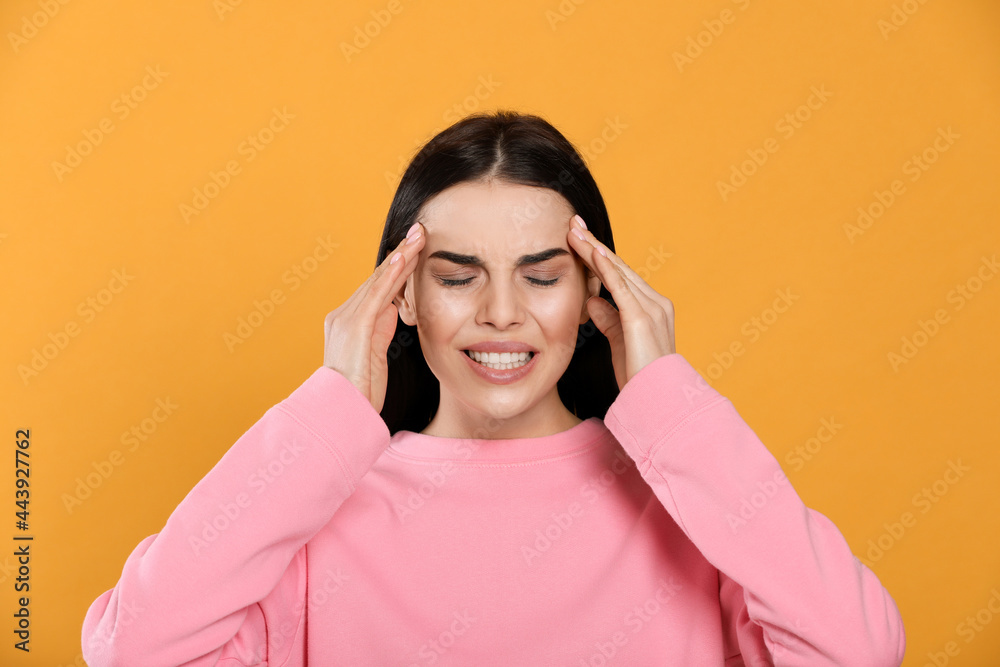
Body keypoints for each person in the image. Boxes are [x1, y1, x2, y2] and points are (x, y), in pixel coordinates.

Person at [81, 110, 906, 665]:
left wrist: (671, 405)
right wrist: (327, 412)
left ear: (595, 296)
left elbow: (859, 648)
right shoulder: (312, 518)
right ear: (401, 294)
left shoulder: (694, 509)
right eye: (457, 275)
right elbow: (132, 647)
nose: (502, 313)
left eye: (541, 276)